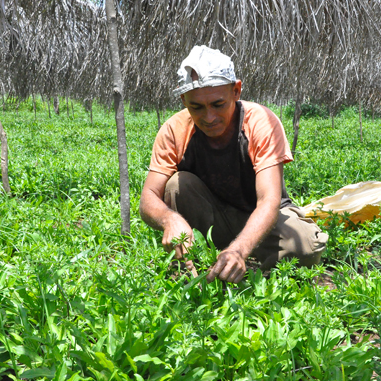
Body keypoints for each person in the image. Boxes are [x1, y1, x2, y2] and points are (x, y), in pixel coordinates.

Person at [140, 45, 327, 283]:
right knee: (177, 184)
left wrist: (239, 250)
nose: (209, 117)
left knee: (306, 246)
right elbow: (148, 197)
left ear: (236, 91)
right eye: (196, 107)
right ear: (183, 100)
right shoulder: (174, 130)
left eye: (218, 104)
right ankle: (199, 265)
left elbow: (269, 201)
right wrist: (170, 220)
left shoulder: (261, 122)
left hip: (262, 218)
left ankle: (248, 268)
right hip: (211, 219)